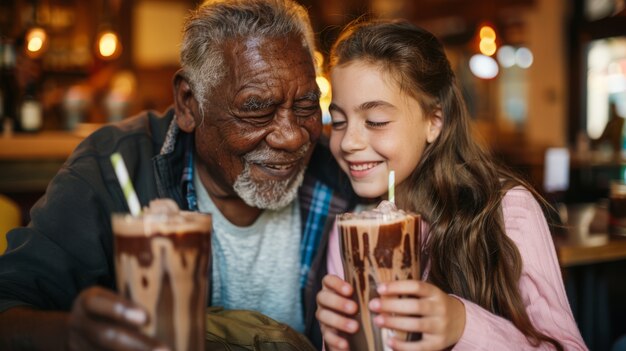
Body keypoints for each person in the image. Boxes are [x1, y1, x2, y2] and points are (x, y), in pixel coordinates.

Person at [0, 0, 356, 349]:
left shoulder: (341, 170)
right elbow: (9, 304)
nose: (292, 135)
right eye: (257, 110)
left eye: (307, 105)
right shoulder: (111, 167)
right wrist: (71, 334)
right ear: (189, 103)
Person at [315, 19, 588, 350]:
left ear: (434, 121)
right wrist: (340, 340)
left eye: (376, 121)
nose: (348, 142)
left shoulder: (507, 212)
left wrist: (463, 325)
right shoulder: (350, 230)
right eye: (339, 122)